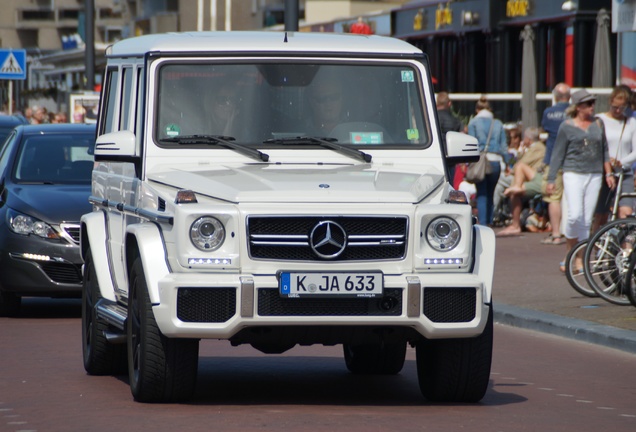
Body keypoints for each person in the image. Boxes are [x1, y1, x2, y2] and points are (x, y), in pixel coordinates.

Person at [545, 89, 616, 273]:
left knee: (586, 220)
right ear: (578, 107)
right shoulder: (566, 126)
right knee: (574, 215)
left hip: (594, 174)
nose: (592, 107)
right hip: (573, 173)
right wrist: (551, 179)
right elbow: (557, 154)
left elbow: (605, 150)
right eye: (588, 104)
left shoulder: (598, 124)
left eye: (593, 103)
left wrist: (608, 173)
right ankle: (570, 251)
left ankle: (580, 258)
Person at [593, 85, 636, 224]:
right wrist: (606, 161)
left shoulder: (631, 122)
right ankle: (597, 244)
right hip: (603, 172)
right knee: (601, 214)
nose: (618, 111)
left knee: (626, 213)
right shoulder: (599, 120)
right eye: (615, 107)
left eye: (622, 108)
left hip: (624, 173)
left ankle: (623, 245)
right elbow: (594, 146)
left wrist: (621, 162)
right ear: (610, 102)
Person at [496, 127, 546, 237]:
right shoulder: (531, 149)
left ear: (528, 138)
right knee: (502, 186)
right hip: (526, 176)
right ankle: (501, 213)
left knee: (500, 181)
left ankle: (499, 215)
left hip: (536, 177)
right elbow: (517, 161)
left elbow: (521, 163)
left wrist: (512, 170)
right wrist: (520, 152)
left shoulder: (537, 148)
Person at [467, 96, 508, 225]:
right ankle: (490, 221)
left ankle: (483, 223)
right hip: (495, 162)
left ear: (477, 109)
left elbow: (470, 144)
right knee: (490, 193)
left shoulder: (473, 123)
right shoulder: (498, 123)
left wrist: (467, 162)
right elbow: (504, 147)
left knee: (482, 193)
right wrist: (510, 164)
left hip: (480, 161)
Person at [436, 91, 463, 181]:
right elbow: (460, 140)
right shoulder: (455, 120)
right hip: (450, 158)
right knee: (449, 187)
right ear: (449, 103)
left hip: (434, 156)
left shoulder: (430, 120)